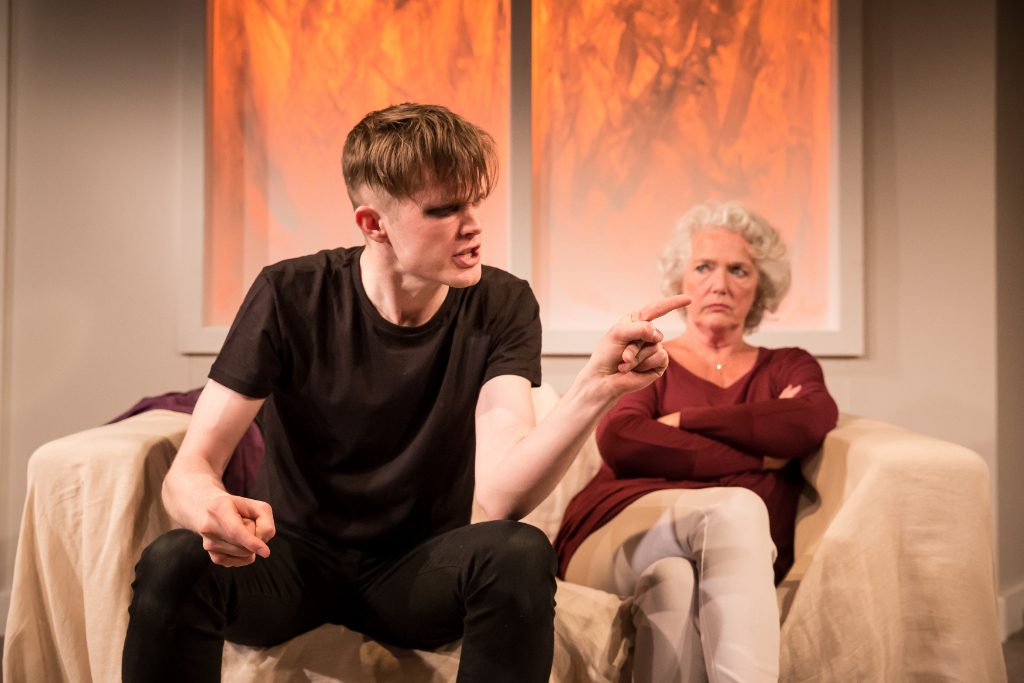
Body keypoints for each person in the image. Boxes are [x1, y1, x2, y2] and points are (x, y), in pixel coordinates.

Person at [121, 103, 689, 683]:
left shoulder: (502, 304)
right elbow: (190, 468)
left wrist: (595, 387)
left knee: (519, 551)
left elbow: (502, 496)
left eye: (474, 203)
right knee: (172, 560)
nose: (473, 225)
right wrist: (212, 509)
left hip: (417, 571)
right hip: (289, 560)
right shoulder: (290, 293)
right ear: (374, 224)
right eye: (444, 209)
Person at [554, 200, 839, 683]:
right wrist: (760, 454)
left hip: (714, 555)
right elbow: (622, 439)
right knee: (738, 506)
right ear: (682, 279)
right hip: (617, 527)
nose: (719, 284)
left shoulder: (787, 364)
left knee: (674, 581)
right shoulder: (650, 359)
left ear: (761, 285)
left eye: (738, 270)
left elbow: (810, 421)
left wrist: (683, 422)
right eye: (704, 267)